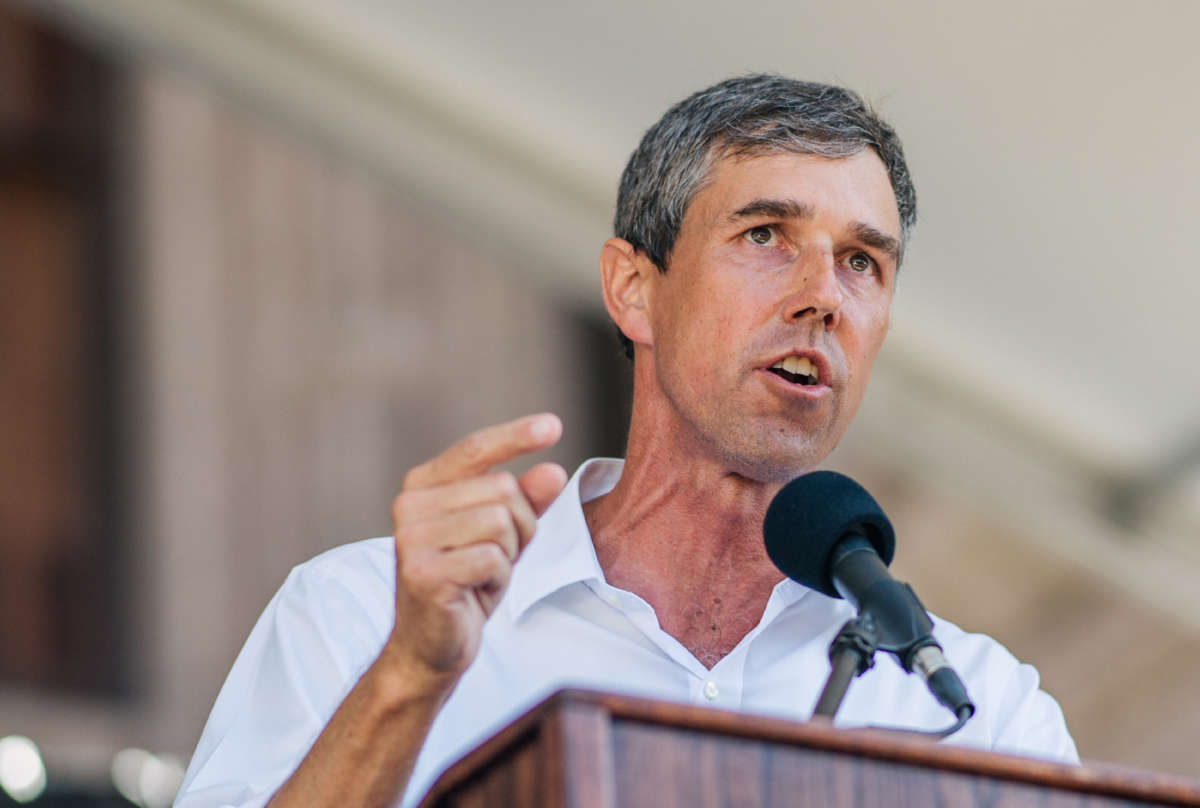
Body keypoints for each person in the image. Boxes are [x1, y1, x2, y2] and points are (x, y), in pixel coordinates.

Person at [176, 74, 1077, 808]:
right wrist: (411, 677)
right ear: (634, 289)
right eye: (766, 235)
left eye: (862, 262)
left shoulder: (977, 707)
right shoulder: (363, 616)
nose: (824, 297)